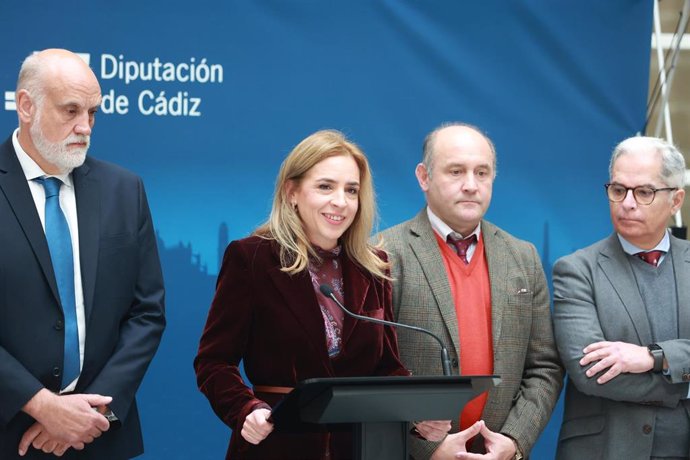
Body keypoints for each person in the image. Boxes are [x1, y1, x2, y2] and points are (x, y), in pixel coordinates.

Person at [194, 129, 448, 460]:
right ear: (292, 192)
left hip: (360, 447)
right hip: (278, 444)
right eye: (325, 186)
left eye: (351, 190)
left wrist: (417, 412)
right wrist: (245, 409)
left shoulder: (375, 267)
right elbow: (213, 362)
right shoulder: (252, 258)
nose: (340, 202)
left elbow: (386, 367)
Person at [0, 49, 166, 459]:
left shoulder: (124, 190)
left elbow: (147, 313)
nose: (85, 127)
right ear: (26, 105)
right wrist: (42, 405)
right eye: (71, 110)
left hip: (98, 434)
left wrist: (95, 413)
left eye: (93, 112)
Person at [377, 122, 563, 459]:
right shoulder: (384, 254)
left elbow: (544, 368)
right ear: (423, 177)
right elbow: (368, 369)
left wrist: (514, 442)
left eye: (482, 172)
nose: (470, 185)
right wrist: (426, 446)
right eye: (455, 171)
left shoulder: (523, 257)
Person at [552, 136, 690, 459]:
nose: (627, 203)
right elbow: (593, 374)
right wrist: (684, 385)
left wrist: (652, 357)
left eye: (644, 192)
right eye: (618, 190)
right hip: (607, 449)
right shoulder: (576, 270)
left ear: (676, 200)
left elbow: (641, 362)